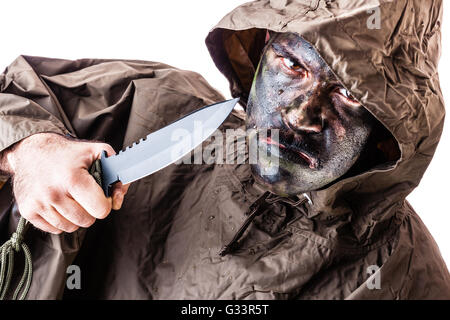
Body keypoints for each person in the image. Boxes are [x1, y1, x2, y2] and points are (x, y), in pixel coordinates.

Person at [0, 0, 449, 299]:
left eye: (349, 94)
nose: (298, 116)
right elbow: (14, 95)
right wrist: (29, 152)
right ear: (260, 52)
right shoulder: (158, 105)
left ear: (393, 127)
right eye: (293, 64)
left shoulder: (403, 275)